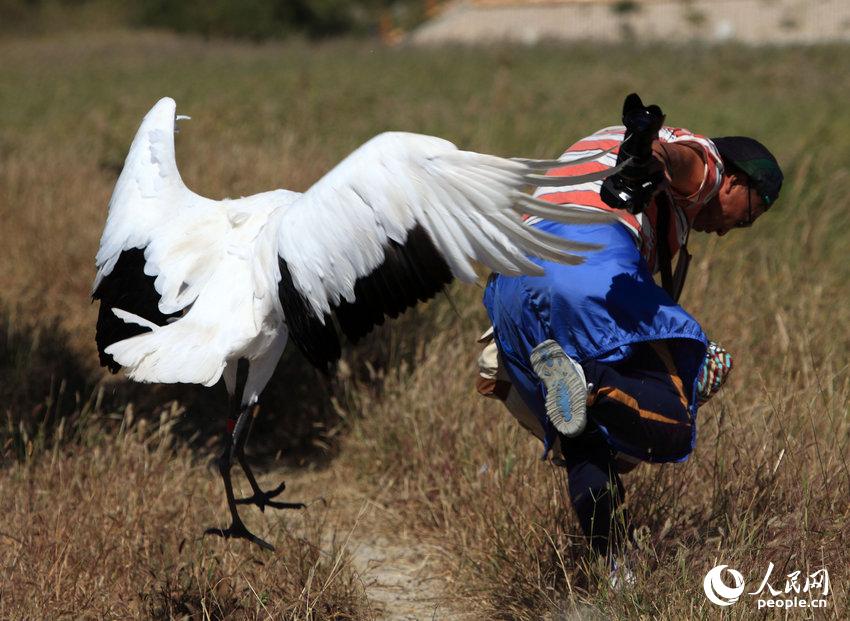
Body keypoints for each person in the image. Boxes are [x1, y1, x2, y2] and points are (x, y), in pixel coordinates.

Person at [477, 95, 784, 562]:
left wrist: (639, 157)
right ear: (734, 182)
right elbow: (681, 161)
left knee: (584, 436)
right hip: (584, 260)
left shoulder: (597, 142)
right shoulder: (703, 162)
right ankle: (592, 383)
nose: (729, 230)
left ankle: (616, 570)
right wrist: (646, 156)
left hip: (509, 284)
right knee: (686, 400)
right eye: (748, 215)